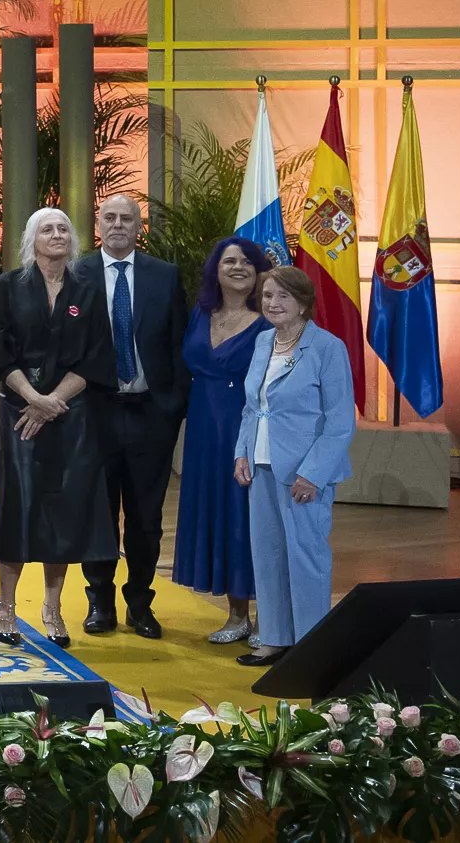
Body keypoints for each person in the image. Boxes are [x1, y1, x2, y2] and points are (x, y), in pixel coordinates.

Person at [0, 208, 116, 648]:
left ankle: (53, 608)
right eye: (46, 229)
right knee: (17, 507)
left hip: (72, 416)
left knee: (64, 512)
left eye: (63, 229)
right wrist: (34, 400)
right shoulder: (7, 286)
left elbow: (97, 356)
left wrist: (53, 401)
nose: (56, 235)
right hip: (20, 413)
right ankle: (5, 606)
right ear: (31, 239)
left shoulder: (88, 290)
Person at [74, 194, 189, 638]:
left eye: (127, 218)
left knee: (146, 517)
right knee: (98, 513)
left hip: (150, 415)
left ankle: (140, 604)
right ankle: (99, 602)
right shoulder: (77, 274)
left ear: (139, 226)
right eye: (110, 217)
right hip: (95, 412)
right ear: (97, 224)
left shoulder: (165, 276)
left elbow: (177, 344)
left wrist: (174, 406)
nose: (118, 224)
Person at [234, 266, 357, 667]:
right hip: (262, 466)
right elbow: (253, 407)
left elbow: (340, 422)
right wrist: (242, 452)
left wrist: (313, 474)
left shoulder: (327, 347)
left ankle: (310, 646)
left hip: (305, 473)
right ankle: (273, 638)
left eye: (282, 296)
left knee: (306, 557)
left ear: (304, 303)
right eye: (267, 295)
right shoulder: (262, 342)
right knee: (267, 554)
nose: (272, 303)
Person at [175, 236, 267, 644]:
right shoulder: (199, 313)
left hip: (246, 427)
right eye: (229, 261)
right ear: (215, 269)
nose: (238, 267)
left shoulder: (270, 317)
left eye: (247, 261)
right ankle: (236, 615)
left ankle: (270, 617)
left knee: (248, 518)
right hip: (202, 430)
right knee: (217, 513)